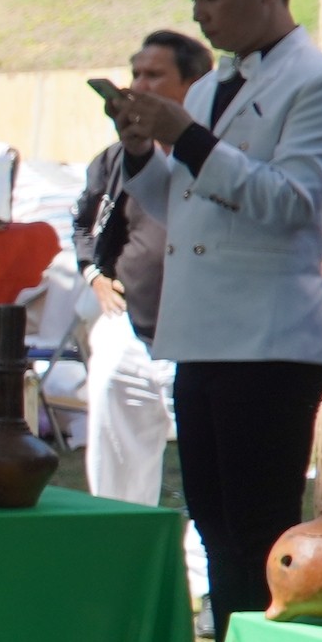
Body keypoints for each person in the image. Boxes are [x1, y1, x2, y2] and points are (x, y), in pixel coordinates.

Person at [105, 0, 322, 633]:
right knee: (215, 534)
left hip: (270, 340)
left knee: (260, 540)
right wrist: (141, 154)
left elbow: (291, 202)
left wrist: (183, 135)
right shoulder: (217, 82)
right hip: (203, 336)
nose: (200, 12)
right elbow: (188, 206)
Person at [75, 29, 207, 507]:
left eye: (155, 75)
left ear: (193, 85)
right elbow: (85, 224)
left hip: (198, 334)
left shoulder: (217, 156)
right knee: (117, 460)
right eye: (136, 74)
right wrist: (93, 274)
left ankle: (203, 573)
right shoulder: (115, 159)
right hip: (125, 327)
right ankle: (117, 548)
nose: (140, 85)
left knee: (205, 466)